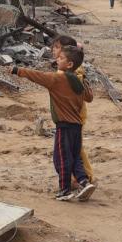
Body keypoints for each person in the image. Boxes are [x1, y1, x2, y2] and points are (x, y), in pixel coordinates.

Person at [11, 46, 96, 202]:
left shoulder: (58, 79)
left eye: (61, 58)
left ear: (69, 64)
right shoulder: (78, 81)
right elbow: (89, 98)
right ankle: (83, 181)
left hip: (64, 126)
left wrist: (18, 70)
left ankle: (64, 190)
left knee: (63, 158)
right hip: (77, 126)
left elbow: (38, 76)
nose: (57, 59)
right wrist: (85, 80)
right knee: (75, 157)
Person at [50, 35, 95, 186]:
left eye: (57, 47)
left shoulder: (72, 73)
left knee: (72, 152)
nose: (53, 50)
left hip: (71, 117)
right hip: (72, 116)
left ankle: (84, 178)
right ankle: (82, 179)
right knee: (74, 151)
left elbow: (87, 96)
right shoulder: (70, 70)